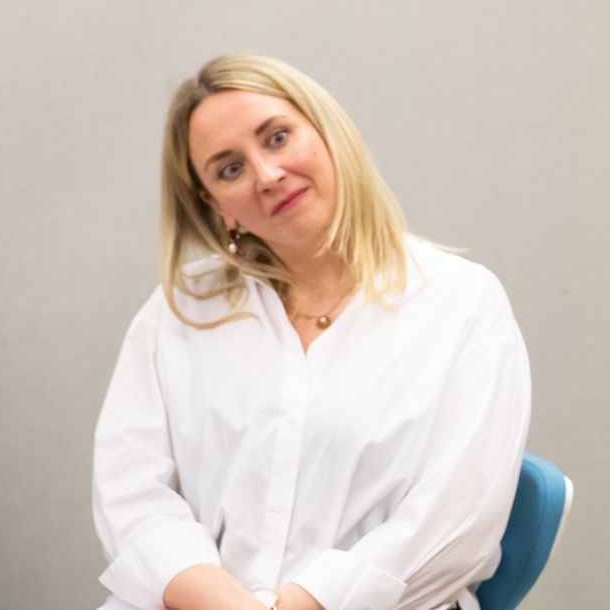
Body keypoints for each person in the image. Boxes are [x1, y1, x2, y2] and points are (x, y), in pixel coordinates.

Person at [93, 55, 530, 610]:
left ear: (326, 131)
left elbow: (456, 519)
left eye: (277, 138)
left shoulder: (461, 302)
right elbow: (132, 493)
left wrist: (299, 605)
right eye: (230, 169)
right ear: (217, 206)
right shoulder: (179, 311)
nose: (267, 175)